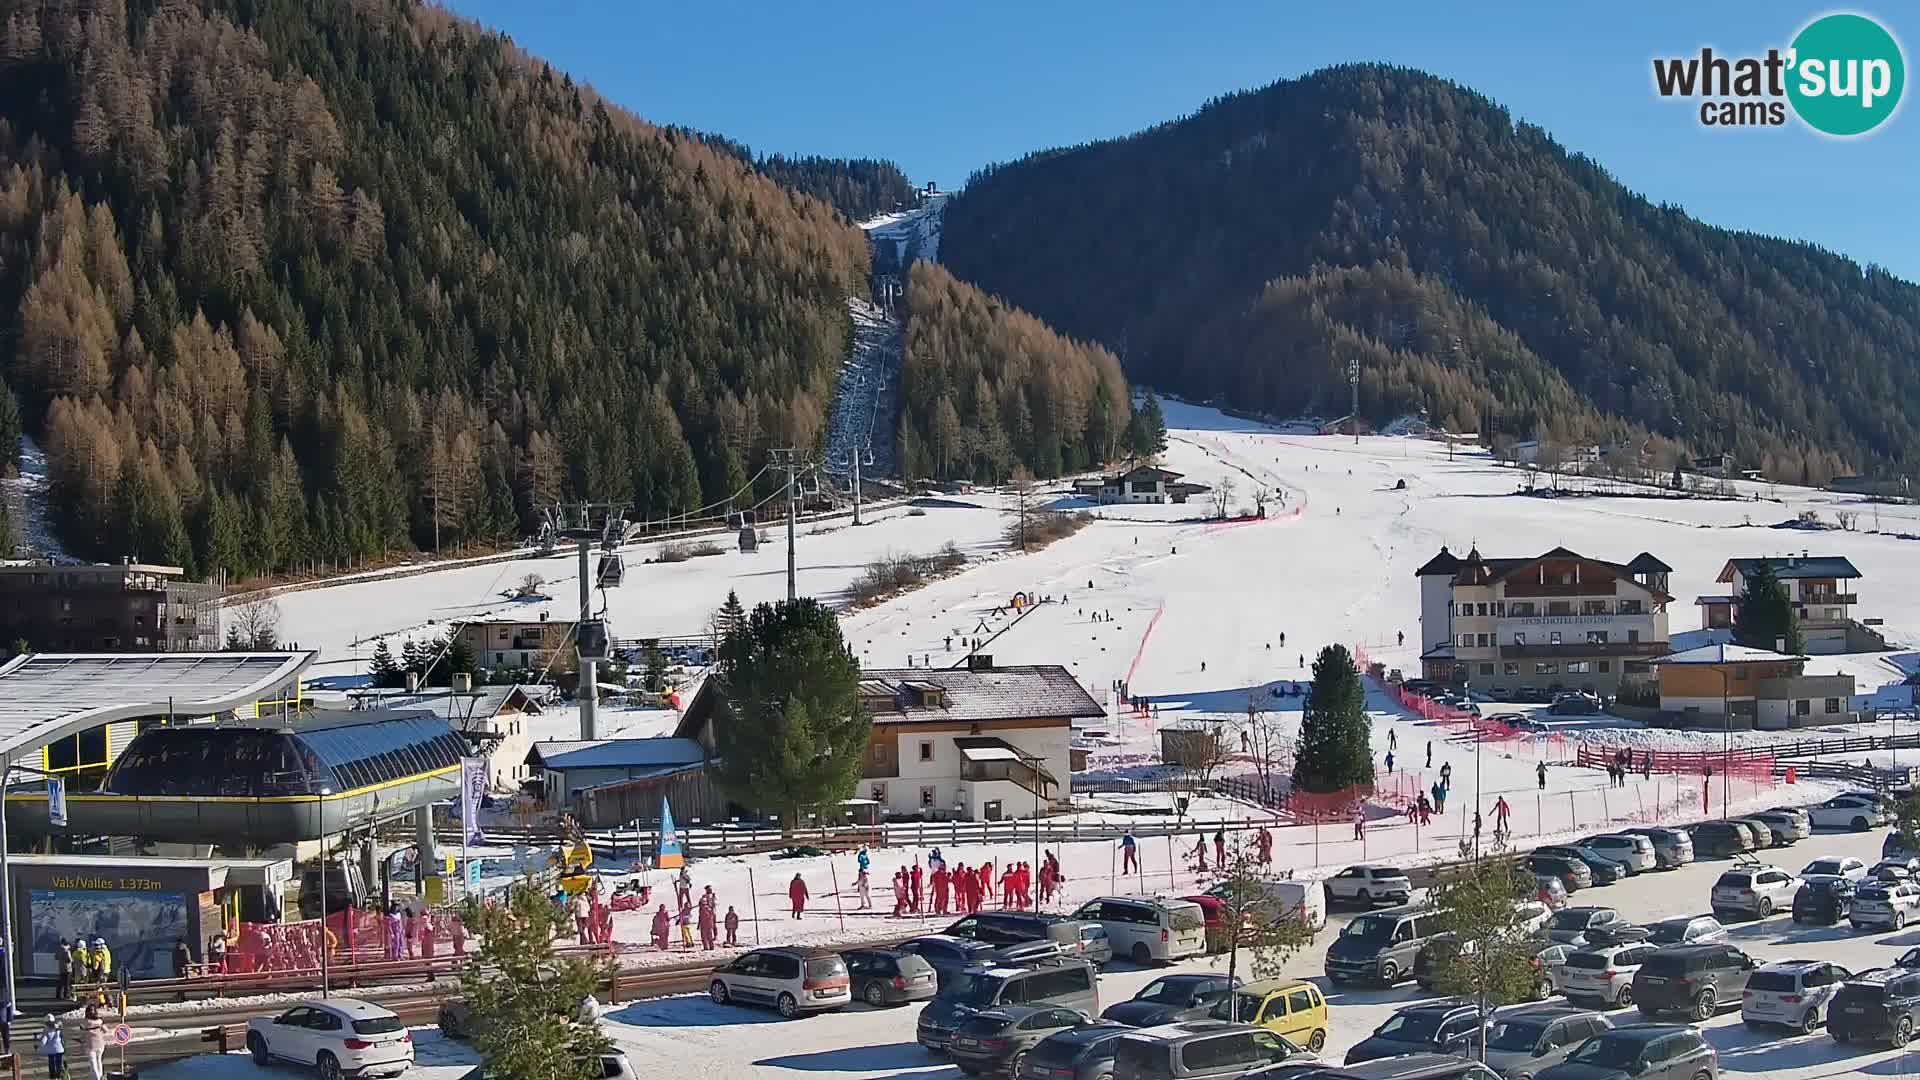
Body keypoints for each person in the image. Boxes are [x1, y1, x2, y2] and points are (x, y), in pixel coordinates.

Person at [82, 1004, 106, 1080]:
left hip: (90, 1045)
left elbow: (82, 1031)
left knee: (93, 1063)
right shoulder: (100, 1021)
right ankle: (99, 1077)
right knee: (99, 1061)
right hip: (100, 1044)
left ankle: (97, 1078)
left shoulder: (86, 1022)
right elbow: (106, 1030)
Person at [37, 1015, 62, 1080]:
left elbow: (43, 1041)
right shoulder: (58, 1027)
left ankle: (53, 1077)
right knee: (58, 1063)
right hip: (59, 1049)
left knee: (51, 1064)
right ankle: (58, 1076)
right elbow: (61, 1038)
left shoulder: (46, 1030)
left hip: (51, 1051)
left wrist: (38, 1047)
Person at [698, 887, 718, 951]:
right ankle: (706, 947)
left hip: (708, 923)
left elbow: (715, 904)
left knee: (708, 935)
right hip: (704, 923)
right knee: (704, 936)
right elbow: (700, 917)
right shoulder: (701, 908)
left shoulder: (708, 908)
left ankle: (711, 946)